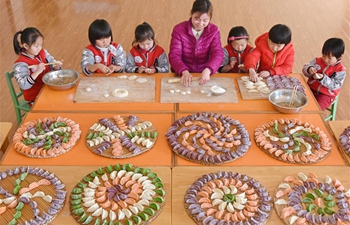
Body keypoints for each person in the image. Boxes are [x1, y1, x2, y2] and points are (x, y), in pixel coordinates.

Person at [168, 0, 223, 86]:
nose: (200, 24)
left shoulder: (214, 31)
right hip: (182, 74)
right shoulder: (179, 29)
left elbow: (217, 54)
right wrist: (183, 71)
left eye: (205, 20)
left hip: (204, 74)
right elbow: (174, 55)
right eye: (197, 19)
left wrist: (208, 69)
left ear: (210, 18)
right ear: (192, 14)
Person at [13, 27, 62, 106]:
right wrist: (37, 72)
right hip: (35, 97)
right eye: (36, 46)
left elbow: (52, 63)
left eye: (41, 45)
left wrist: (56, 67)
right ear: (25, 46)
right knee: (58, 105)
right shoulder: (20, 64)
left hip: (48, 90)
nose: (40, 48)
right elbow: (23, 85)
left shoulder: (43, 52)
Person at [302, 38, 346, 111]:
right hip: (310, 89)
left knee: (315, 110)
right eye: (324, 55)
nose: (325, 59)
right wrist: (309, 70)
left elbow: (336, 85)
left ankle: (308, 121)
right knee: (298, 101)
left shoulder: (340, 70)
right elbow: (305, 68)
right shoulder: (318, 60)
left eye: (329, 58)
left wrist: (322, 78)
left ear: (339, 57)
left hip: (326, 95)